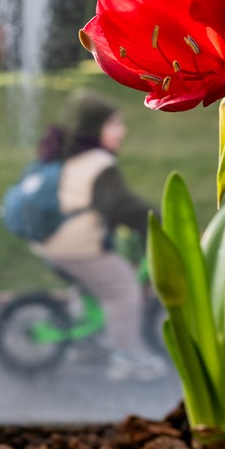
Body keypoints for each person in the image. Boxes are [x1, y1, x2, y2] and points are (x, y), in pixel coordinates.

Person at [32, 91, 167, 381]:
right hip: (74, 247)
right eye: (114, 124)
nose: (122, 131)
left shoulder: (67, 154)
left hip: (50, 242)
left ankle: (86, 344)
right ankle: (126, 358)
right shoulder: (99, 164)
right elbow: (124, 207)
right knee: (123, 287)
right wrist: (160, 220)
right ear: (94, 128)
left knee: (93, 285)